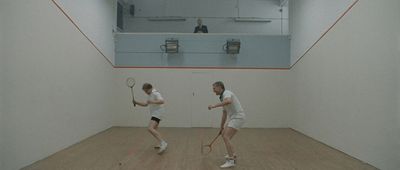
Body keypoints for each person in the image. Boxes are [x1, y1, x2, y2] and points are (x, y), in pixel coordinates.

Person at [208, 81, 245, 168]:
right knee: (225, 135)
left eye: (214, 88)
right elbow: (224, 113)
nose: (213, 91)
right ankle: (233, 154)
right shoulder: (222, 98)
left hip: (238, 117)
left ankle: (231, 160)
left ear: (220, 87)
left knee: (226, 137)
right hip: (234, 117)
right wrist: (221, 127)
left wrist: (213, 106)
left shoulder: (227, 93)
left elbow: (228, 101)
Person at [133, 83, 168, 154]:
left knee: (150, 128)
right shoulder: (150, 95)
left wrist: (152, 101)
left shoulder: (155, 93)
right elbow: (146, 104)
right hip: (156, 113)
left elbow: (162, 101)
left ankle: (163, 143)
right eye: (144, 91)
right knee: (154, 129)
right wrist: (136, 102)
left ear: (150, 88)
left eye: (146, 91)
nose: (145, 93)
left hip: (158, 112)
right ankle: (160, 143)